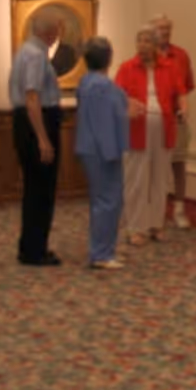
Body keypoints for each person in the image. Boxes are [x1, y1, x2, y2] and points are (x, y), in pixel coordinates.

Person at [8, 12, 64, 266]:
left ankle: (30, 246)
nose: (58, 36)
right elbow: (32, 97)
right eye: (57, 30)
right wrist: (43, 138)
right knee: (41, 189)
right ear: (49, 32)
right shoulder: (36, 55)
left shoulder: (24, 51)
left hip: (27, 121)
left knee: (35, 187)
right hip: (37, 122)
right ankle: (35, 250)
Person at [115, 24, 179, 246]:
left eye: (147, 41)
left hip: (163, 128)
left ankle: (156, 224)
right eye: (139, 40)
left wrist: (182, 108)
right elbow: (117, 100)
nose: (142, 45)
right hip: (136, 130)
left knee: (160, 178)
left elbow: (178, 94)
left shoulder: (169, 67)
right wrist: (128, 107)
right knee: (136, 179)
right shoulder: (126, 68)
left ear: (155, 45)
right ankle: (135, 227)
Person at [73, 37, 128, 270]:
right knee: (109, 201)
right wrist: (113, 152)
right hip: (103, 149)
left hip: (88, 147)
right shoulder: (105, 87)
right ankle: (102, 253)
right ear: (109, 58)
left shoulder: (85, 82)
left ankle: (102, 249)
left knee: (99, 200)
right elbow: (105, 124)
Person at [153, 14, 196, 228]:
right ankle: (156, 210)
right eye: (161, 28)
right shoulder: (146, 56)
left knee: (178, 164)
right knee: (156, 167)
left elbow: (186, 88)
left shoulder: (181, 56)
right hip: (153, 121)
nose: (165, 32)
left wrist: (183, 108)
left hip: (176, 119)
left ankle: (179, 209)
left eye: (168, 28)